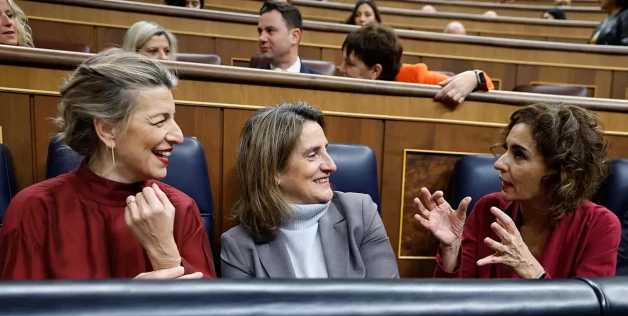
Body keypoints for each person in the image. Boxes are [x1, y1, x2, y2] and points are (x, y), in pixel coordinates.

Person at [0, 49, 216, 280]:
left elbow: (209, 312)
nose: (178, 136)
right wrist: (127, 304)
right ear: (107, 130)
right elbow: (21, 313)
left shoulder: (181, 209)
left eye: (173, 118)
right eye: (160, 121)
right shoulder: (34, 209)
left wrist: (165, 255)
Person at [414, 103, 620, 279]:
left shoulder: (600, 226)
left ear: (560, 170)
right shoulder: (488, 209)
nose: (499, 164)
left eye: (519, 155)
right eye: (505, 150)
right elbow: (456, 305)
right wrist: (451, 250)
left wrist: (531, 271)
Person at [221, 102, 399, 279]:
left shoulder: (360, 213)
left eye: (326, 150)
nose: (332, 166)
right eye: (312, 155)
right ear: (273, 171)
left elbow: (388, 300)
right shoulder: (238, 246)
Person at [339, 24, 494, 105]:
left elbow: (490, 90)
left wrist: (475, 77)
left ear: (375, 71)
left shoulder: (419, 79)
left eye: (349, 64)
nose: (341, 68)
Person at [256, 2, 321, 73]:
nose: (261, 38)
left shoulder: (322, 82)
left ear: (294, 36)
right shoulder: (250, 80)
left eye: (270, 30)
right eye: (260, 32)